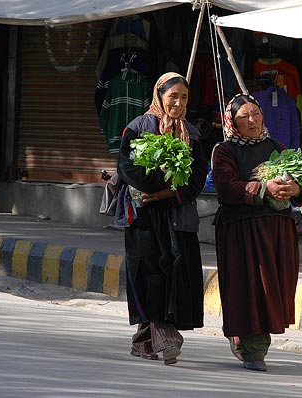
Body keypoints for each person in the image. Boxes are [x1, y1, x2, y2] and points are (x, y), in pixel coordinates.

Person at [211, 94, 302, 372]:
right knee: (250, 286)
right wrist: (263, 189)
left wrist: (295, 189)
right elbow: (227, 187)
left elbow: (299, 183)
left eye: (256, 113)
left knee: (273, 287)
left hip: (277, 229)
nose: (252, 120)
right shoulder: (225, 151)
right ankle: (253, 349)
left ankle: (247, 340)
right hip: (242, 230)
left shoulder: (276, 146)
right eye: (244, 117)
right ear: (232, 122)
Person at [117, 72, 207, 365]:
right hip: (145, 217)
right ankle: (167, 336)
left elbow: (196, 178)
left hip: (178, 215)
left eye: (184, 98)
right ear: (160, 96)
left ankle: (144, 341)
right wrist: (156, 188)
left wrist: (170, 194)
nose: (178, 103)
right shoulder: (138, 128)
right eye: (173, 97)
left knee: (176, 269)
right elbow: (128, 169)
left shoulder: (192, 134)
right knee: (150, 272)